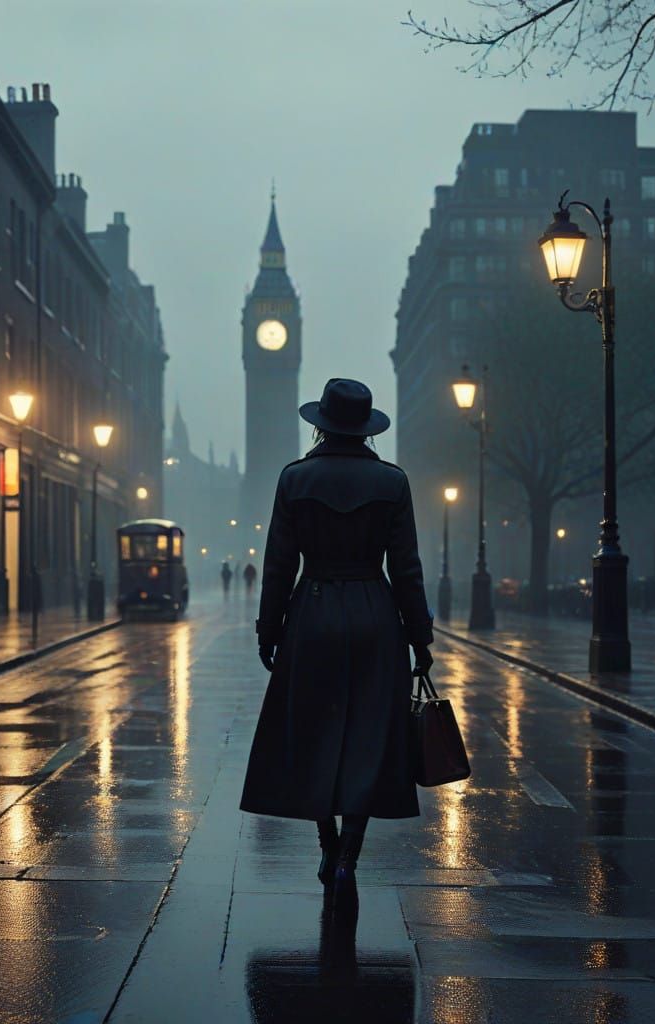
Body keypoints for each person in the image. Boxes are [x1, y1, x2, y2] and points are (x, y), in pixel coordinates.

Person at [240, 378, 434, 912]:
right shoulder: (392, 482)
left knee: (313, 733)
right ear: (366, 428)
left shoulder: (294, 478)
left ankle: (326, 843)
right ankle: (350, 854)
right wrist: (420, 636)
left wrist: (269, 629)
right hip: (375, 616)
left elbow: (279, 564)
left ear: (321, 425)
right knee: (367, 740)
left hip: (313, 612)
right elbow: (407, 568)